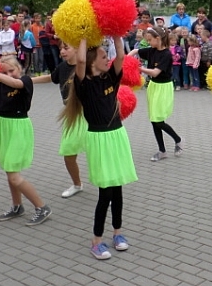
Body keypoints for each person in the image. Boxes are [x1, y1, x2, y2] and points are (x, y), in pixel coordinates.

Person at [60, 35, 137, 260]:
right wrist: (83, 37)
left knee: (118, 189)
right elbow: (81, 62)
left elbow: (121, 55)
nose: (108, 59)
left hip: (117, 136)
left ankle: (118, 233)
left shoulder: (109, 79)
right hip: (99, 138)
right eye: (104, 56)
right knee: (106, 192)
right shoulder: (84, 83)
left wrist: (116, 34)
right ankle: (96, 241)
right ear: (93, 61)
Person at [0, 56, 52, 225]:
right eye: (3, 72)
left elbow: (16, 84)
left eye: (11, 70)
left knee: (14, 176)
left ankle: (42, 207)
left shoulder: (25, 81)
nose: (8, 74)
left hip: (18, 128)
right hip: (2, 127)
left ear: (19, 69)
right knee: (9, 170)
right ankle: (17, 206)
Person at [34, 42, 87, 198]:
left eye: (66, 48)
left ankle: (110, 191)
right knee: (68, 153)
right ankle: (77, 184)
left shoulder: (87, 66)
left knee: (98, 155)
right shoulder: (63, 67)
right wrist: (27, 81)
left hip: (90, 115)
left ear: (77, 48)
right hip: (72, 116)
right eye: (60, 49)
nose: (62, 52)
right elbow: (51, 77)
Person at [128, 26, 184, 162]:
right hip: (153, 87)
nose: (148, 43)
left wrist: (139, 68)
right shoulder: (151, 50)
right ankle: (162, 151)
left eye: (150, 40)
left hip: (163, 88)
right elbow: (136, 50)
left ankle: (177, 139)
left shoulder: (166, 55)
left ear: (158, 39)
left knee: (158, 120)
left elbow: (155, 72)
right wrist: (127, 60)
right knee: (154, 120)